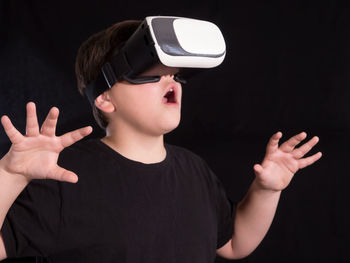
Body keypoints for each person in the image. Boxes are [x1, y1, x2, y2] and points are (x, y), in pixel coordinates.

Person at [0, 19, 322, 262]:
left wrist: (266, 191)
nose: (170, 80)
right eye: (152, 72)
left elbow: (234, 244)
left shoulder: (195, 171)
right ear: (105, 97)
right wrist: (10, 175)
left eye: (175, 73)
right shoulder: (61, 175)